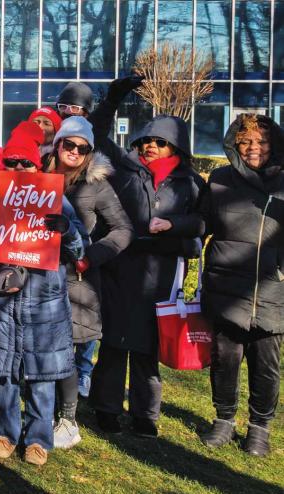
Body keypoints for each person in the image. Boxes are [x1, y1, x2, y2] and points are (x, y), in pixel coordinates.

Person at [88, 75, 207, 438]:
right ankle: (106, 409)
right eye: (146, 140)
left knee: (148, 348)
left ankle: (145, 415)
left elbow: (203, 222)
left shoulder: (191, 183)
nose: (151, 146)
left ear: (176, 147)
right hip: (121, 269)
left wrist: (173, 225)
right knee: (113, 343)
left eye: (160, 142)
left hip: (162, 273)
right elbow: (96, 135)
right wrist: (113, 98)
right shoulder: (124, 169)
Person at [0, 121, 84, 466]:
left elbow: (81, 250)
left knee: (42, 375)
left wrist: (67, 231)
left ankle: (38, 437)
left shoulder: (57, 200)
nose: (19, 168)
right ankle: (4, 431)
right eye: (11, 163)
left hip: (44, 303)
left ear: (37, 165)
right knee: (4, 371)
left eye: (25, 163)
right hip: (2, 301)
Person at [41, 116, 133, 449]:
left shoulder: (97, 186)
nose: (75, 152)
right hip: (35, 274)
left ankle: (68, 420)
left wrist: (91, 256)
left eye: (83, 148)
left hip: (74, 277)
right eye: (69, 144)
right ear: (57, 144)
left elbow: (123, 230)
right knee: (39, 348)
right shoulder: (34, 176)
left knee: (65, 350)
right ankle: (40, 415)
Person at [200, 113, 284, 457]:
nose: (254, 148)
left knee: (266, 364)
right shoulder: (220, 180)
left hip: (272, 288)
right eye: (245, 141)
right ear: (235, 145)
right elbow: (201, 222)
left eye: (261, 142)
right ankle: (224, 420)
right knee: (225, 358)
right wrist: (171, 228)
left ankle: (260, 428)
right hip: (227, 286)